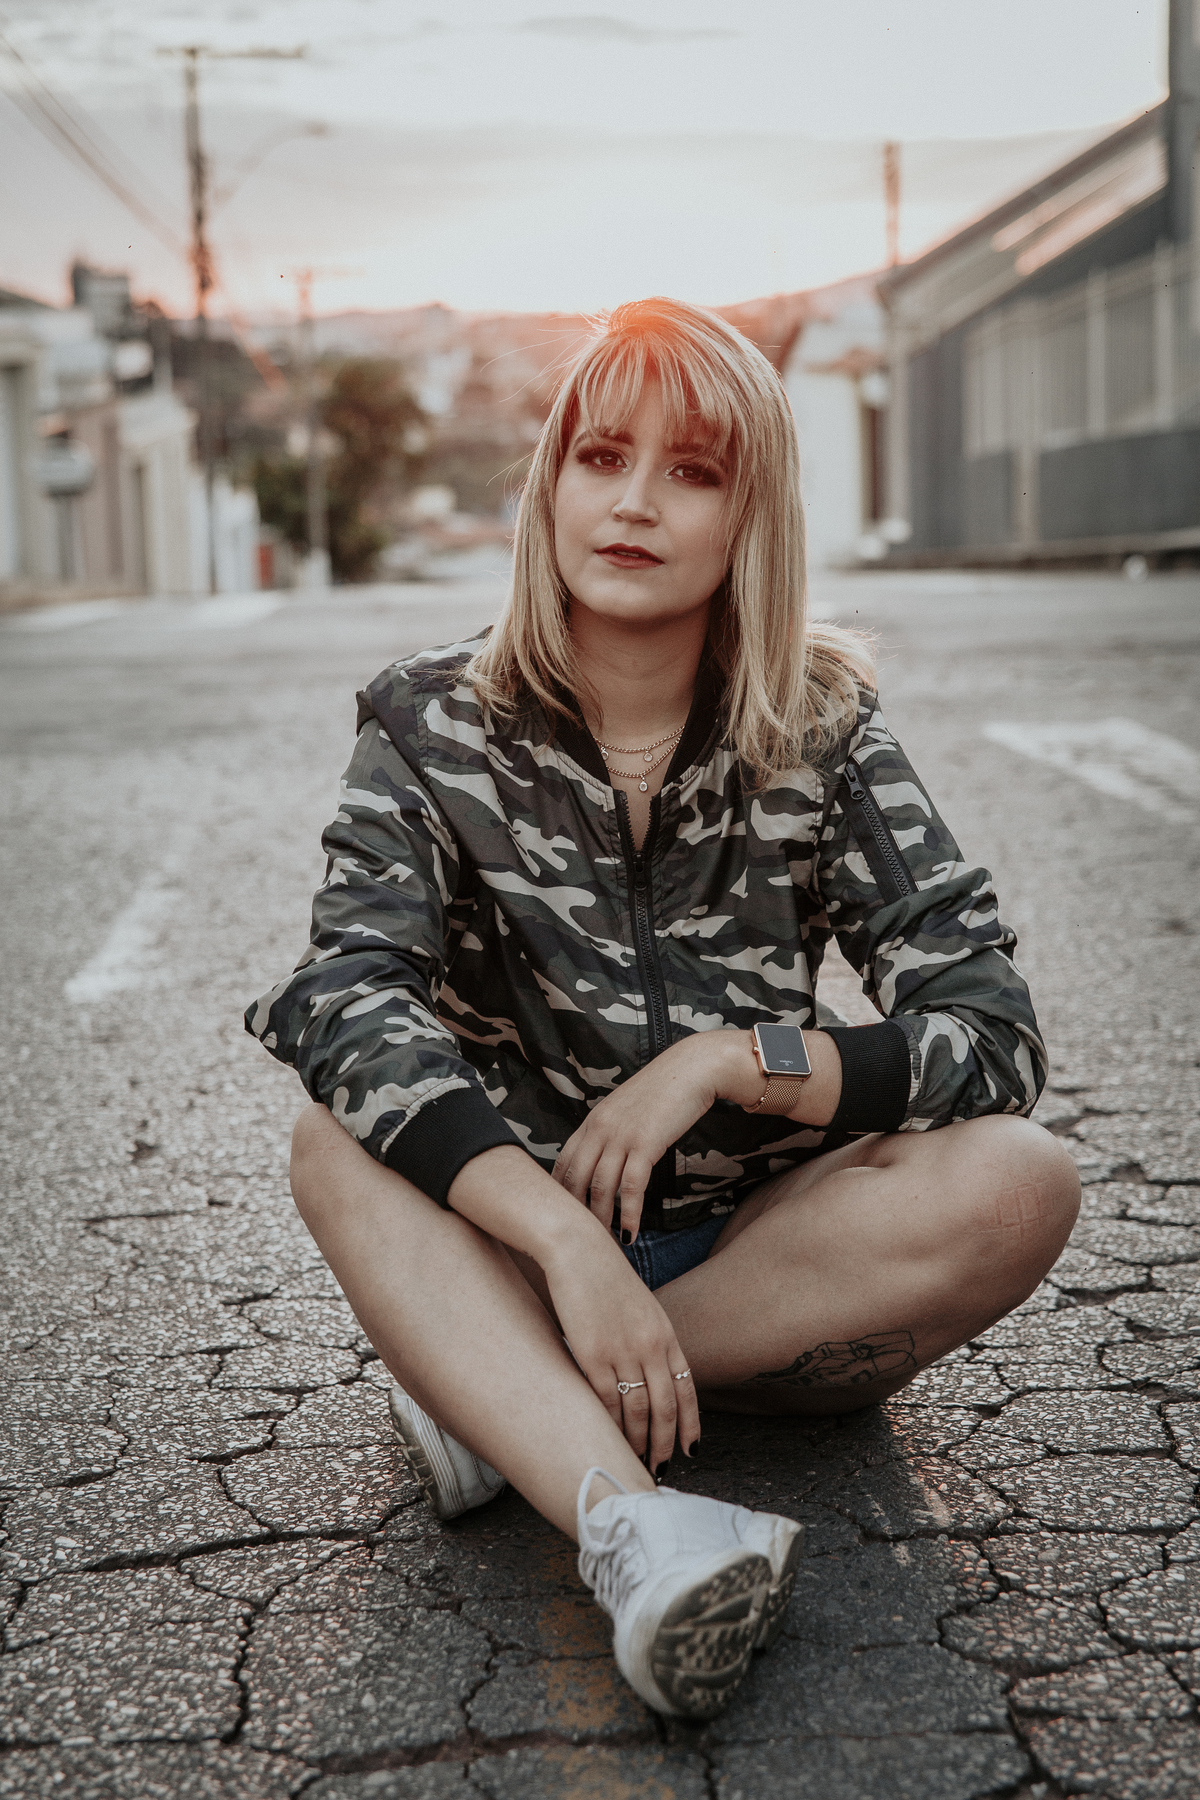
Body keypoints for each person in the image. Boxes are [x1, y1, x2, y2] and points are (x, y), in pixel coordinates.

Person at [246, 296, 1079, 1720]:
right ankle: (637, 1531)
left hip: (767, 1266)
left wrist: (732, 1061)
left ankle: (506, 1403)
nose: (633, 503)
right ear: (550, 484)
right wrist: (564, 1239)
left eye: (693, 471)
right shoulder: (429, 723)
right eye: (601, 456)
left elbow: (989, 1029)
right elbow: (347, 995)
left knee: (1022, 1181)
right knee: (332, 1142)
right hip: (516, 1247)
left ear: (750, 516)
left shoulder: (821, 728)